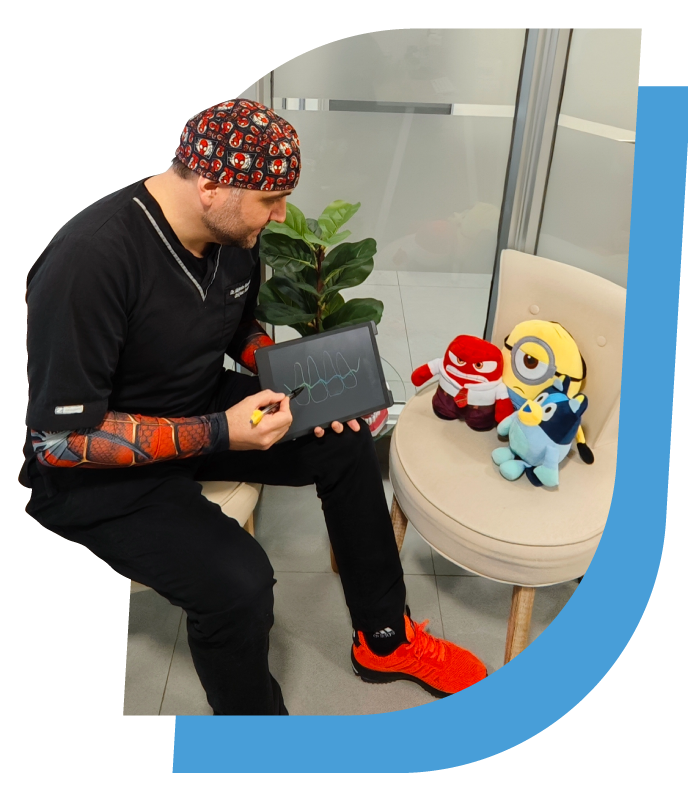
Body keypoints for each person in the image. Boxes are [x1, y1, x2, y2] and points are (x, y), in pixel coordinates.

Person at [22, 99, 488, 715]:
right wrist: (222, 433)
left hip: (197, 402)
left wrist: (285, 370)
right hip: (100, 469)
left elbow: (238, 326)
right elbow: (60, 442)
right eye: (270, 200)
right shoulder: (90, 259)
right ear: (210, 186)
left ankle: (384, 639)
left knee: (343, 439)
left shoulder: (234, 232)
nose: (281, 214)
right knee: (239, 585)